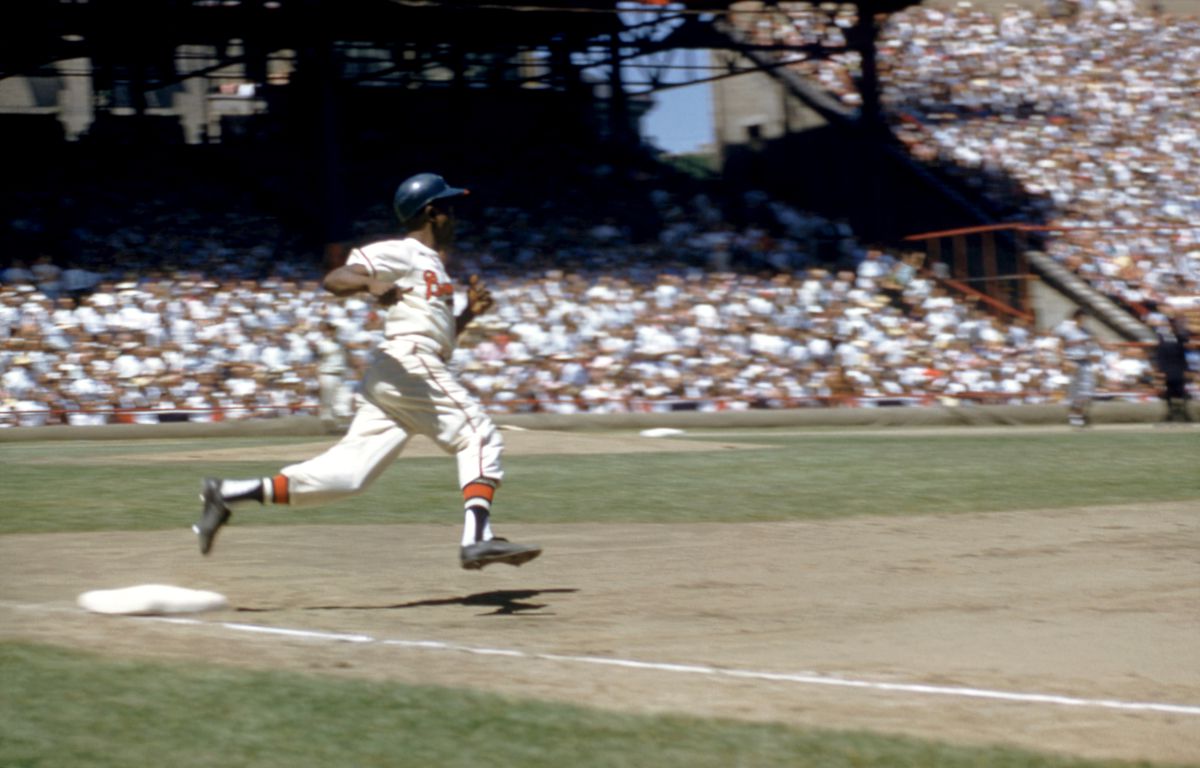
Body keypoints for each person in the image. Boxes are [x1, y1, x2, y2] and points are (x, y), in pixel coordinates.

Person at [193, 172, 542, 570]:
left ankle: (227, 493)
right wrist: (370, 286)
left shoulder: (432, 265)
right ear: (431, 213)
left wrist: (466, 316)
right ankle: (477, 537)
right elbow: (335, 278)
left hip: (402, 371)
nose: (454, 215)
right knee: (478, 434)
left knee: (348, 476)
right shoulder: (403, 251)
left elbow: (434, 335)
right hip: (408, 363)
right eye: (448, 207)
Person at [1055, 307, 1098, 428]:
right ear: (1076, 317)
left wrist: (1094, 355)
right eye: (1082, 317)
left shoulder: (1087, 331)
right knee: (1074, 390)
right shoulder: (1065, 329)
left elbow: (1092, 348)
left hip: (1085, 362)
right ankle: (1074, 416)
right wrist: (1063, 361)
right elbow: (1059, 346)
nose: (1084, 319)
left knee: (1086, 391)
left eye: (1085, 317)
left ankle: (1079, 414)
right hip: (1072, 361)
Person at [1153, 309, 1193, 423]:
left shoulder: (1179, 336)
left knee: (1180, 390)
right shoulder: (1163, 336)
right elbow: (1160, 353)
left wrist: (1186, 368)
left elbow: (1184, 344)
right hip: (1168, 367)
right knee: (1170, 391)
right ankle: (1171, 412)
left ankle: (1182, 412)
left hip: (1178, 366)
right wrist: (1160, 369)